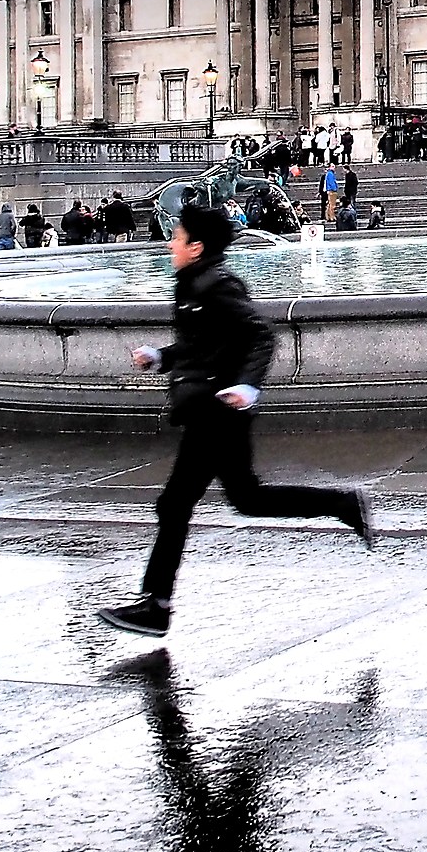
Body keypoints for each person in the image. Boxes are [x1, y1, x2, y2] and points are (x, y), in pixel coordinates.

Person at [99, 203, 373, 637]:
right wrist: (161, 356)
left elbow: (260, 335)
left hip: (218, 410)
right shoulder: (193, 283)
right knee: (246, 498)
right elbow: (203, 346)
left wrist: (248, 387)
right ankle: (341, 504)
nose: (171, 242)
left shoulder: (215, 285)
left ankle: (157, 605)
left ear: (197, 246)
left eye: (178, 236)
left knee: (176, 503)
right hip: (211, 407)